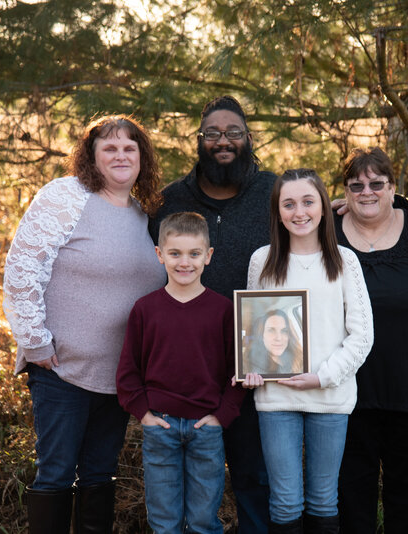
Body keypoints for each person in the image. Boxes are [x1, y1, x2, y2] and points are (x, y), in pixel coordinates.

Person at [2, 115, 166, 533]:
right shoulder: (67, 196)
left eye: (130, 148)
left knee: (99, 477)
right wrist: (36, 344)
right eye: (109, 148)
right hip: (62, 370)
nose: (121, 155)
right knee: (56, 474)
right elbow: (22, 268)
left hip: (117, 378)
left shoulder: (140, 214)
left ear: (142, 158)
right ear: (91, 158)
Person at [150, 95, 276, 533]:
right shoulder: (166, 202)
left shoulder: (274, 193)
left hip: (256, 359)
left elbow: (314, 221)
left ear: (248, 139)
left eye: (234, 133)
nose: (224, 141)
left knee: (253, 475)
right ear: (199, 141)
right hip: (188, 363)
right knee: (182, 491)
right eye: (213, 134)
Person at [243, 169, 373, 534]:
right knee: (284, 501)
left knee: (323, 499)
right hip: (276, 400)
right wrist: (252, 368)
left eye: (307, 202)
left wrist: (322, 376)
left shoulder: (345, 261)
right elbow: (252, 331)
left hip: (330, 397)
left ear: (322, 207)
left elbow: (362, 336)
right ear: (278, 212)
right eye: (289, 204)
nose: (299, 212)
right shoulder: (262, 261)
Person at [116, 212, 245, 534]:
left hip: (207, 428)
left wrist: (222, 416)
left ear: (208, 256)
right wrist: (144, 414)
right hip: (160, 426)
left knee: (204, 520)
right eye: (175, 253)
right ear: (160, 255)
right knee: (164, 522)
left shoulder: (223, 310)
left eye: (193, 254)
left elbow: (237, 371)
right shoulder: (145, 309)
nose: (184, 262)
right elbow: (128, 370)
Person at [333, 147, 408, 534]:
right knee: (350, 506)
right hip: (345, 396)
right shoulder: (328, 231)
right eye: (356, 186)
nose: (366, 192)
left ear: (393, 187)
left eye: (377, 183)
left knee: (407, 508)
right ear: (345, 190)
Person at [245, 309, 304, 376]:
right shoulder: (251, 366)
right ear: (262, 336)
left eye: (284, 331)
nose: (278, 338)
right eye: (271, 330)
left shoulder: (301, 359)